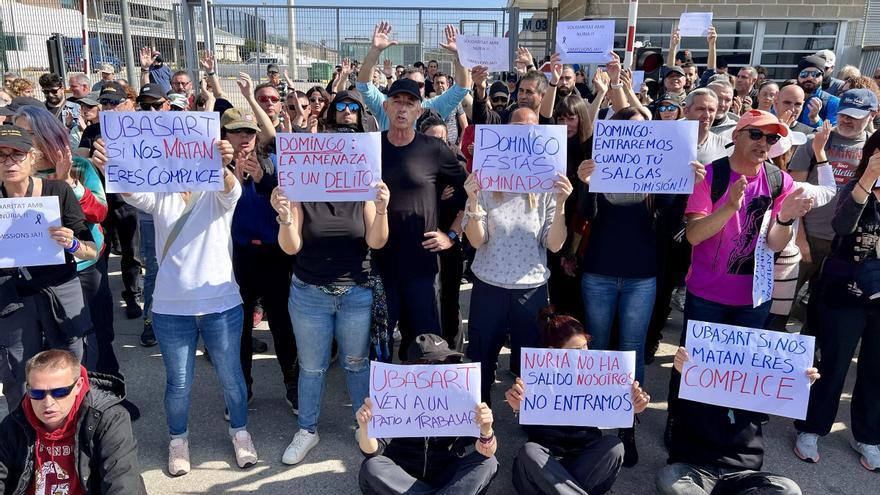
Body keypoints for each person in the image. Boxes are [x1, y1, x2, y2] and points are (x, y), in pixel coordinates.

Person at [95, 136, 259, 476]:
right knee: (179, 382)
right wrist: (112, 165)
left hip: (221, 305)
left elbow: (232, 191)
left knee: (232, 376)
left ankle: (240, 432)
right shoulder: (161, 194)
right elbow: (130, 192)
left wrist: (224, 166)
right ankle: (178, 440)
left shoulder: (216, 192)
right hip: (170, 308)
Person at [665, 110, 814, 445]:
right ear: (736, 135)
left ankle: (725, 436)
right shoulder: (711, 175)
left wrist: (787, 220)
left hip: (753, 299)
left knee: (736, 376)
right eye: (757, 135)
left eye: (772, 138)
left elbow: (774, 244)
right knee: (688, 368)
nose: (765, 143)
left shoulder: (779, 181)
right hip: (707, 296)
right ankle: (679, 424)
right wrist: (729, 206)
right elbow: (694, 235)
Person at [577, 106, 705, 465]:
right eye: (628, 130)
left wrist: (683, 189)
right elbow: (584, 215)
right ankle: (592, 420)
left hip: (642, 276)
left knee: (632, 350)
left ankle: (626, 423)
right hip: (599, 271)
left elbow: (668, 226)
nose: (635, 137)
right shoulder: (599, 167)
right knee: (598, 346)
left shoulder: (660, 169)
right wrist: (585, 184)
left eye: (642, 131)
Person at [270, 130, 390, 464]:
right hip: (309, 293)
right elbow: (291, 246)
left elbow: (377, 242)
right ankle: (307, 429)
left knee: (355, 364)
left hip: (356, 293)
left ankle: (363, 426)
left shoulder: (364, 190)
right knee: (311, 367)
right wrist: (285, 218)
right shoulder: (301, 189)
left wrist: (381, 209)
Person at [463, 106, 572, 405]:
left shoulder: (548, 185)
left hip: (531, 288)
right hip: (490, 285)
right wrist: (472, 200)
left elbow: (555, 245)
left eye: (531, 127)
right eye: (517, 125)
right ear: (506, 131)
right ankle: (478, 414)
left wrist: (561, 205)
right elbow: (477, 239)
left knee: (530, 360)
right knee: (482, 355)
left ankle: (532, 419)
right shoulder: (484, 181)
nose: (523, 131)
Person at [792, 132, 880, 471]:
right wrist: (869, 178)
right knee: (833, 363)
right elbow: (842, 226)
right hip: (846, 293)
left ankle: (869, 435)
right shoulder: (854, 189)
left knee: (875, 369)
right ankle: (811, 428)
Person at [0, 125, 98, 408]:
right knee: (17, 370)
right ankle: (25, 439)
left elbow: (91, 248)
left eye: (16, 155)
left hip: (60, 288)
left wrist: (72, 244)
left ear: (33, 157)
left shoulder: (57, 190)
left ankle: (73, 426)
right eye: (2, 156)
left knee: (71, 360)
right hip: (12, 295)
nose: (9, 163)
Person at [506, 307, 651, 494]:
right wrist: (518, 407)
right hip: (547, 459)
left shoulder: (600, 375)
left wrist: (633, 407)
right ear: (553, 352)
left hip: (585, 459)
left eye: (585, 347)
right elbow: (531, 427)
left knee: (614, 446)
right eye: (576, 350)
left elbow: (614, 411)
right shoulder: (535, 378)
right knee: (529, 453)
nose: (585, 355)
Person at [373, 78, 466, 360]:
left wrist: (451, 235)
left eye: (410, 103)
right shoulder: (369, 147)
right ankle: (379, 403)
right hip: (378, 262)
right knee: (380, 344)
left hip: (422, 264)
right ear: (386, 107)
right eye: (397, 102)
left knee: (428, 346)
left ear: (418, 111)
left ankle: (427, 402)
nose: (402, 109)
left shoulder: (434, 149)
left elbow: (470, 193)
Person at [657, 345, 819, 494]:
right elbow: (677, 405)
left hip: (742, 475)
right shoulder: (693, 391)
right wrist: (681, 374)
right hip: (695, 470)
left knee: (790, 489)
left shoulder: (754, 394)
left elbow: (780, 396)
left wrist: (800, 384)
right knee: (669, 476)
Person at [646, 88, 730, 364]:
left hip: (705, 231)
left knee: (696, 291)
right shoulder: (666, 138)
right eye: (700, 109)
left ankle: (695, 356)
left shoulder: (724, 146)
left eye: (710, 110)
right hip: (667, 228)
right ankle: (651, 340)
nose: (706, 115)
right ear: (687, 109)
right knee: (661, 288)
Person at [356, 334, 499, 495]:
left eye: (447, 362)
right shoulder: (392, 396)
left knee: (488, 463)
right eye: (437, 363)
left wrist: (486, 430)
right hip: (402, 477)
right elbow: (372, 452)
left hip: (444, 474)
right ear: (414, 367)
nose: (444, 368)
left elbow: (487, 452)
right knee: (372, 466)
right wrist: (365, 428)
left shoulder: (461, 397)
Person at [789, 88, 876, 331]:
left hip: (845, 245)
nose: (847, 119)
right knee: (780, 304)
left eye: (855, 115)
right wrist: (799, 238)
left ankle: (807, 359)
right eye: (844, 113)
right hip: (808, 236)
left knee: (822, 312)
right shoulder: (815, 142)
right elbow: (793, 193)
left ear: (872, 114)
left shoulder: (874, 149)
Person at [0, 350, 146, 493]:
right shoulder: (16, 423)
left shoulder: (109, 419)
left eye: (59, 392)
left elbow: (122, 482)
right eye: (37, 393)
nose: (48, 402)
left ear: (78, 385)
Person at [357, 22, 470, 131]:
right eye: (408, 83)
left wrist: (459, 55)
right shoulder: (386, 105)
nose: (413, 88)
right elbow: (363, 85)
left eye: (419, 85)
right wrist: (375, 51)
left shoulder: (433, 107)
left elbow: (461, 89)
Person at [419, 116, 467, 347]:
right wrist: (435, 198)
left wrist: (450, 237)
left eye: (442, 139)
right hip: (420, 245)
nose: (437, 144)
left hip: (449, 245)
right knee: (425, 301)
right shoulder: (413, 166)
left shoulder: (457, 169)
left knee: (449, 299)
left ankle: (452, 350)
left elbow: (466, 207)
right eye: (431, 139)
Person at [797, 55, 840, 128]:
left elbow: (834, 134)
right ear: (797, 76)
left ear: (822, 77)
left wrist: (815, 119)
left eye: (815, 74)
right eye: (804, 74)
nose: (810, 78)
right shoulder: (788, 98)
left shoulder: (834, 102)